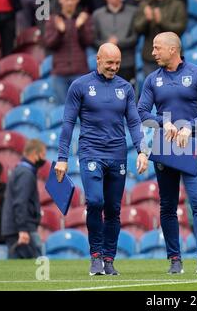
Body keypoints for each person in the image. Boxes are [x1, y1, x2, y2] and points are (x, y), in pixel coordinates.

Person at [54, 43, 148, 276]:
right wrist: (62, 157)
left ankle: (108, 260)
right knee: (95, 202)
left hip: (118, 155)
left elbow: (134, 122)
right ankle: (95, 255)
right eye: (109, 63)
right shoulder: (80, 86)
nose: (114, 67)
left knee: (114, 209)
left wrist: (142, 150)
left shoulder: (125, 88)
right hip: (91, 153)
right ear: (98, 59)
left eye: (117, 63)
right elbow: (68, 123)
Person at [137, 32, 197, 274]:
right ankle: (175, 259)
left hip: (192, 146)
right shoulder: (152, 80)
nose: (153, 52)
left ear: (173, 50)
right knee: (168, 206)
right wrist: (164, 122)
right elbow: (141, 111)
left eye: (157, 47)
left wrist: (189, 126)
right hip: (165, 147)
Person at [44, 0, 94, 105]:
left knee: (82, 110)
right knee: (63, 111)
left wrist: (80, 28)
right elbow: (49, 44)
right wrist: (60, 32)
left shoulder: (84, 18)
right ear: (60, 0)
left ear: (77, 0)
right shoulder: (53, 20)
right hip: (60, 73)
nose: (69, 3)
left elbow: (88, 42)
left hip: (80, 71)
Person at [1, 139, 47, 259]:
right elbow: (20, 202)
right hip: (22, 230)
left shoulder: (21, 170)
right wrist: (22, 230)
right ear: (34, 154)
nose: (44, 158)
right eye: (43, 155)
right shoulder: (25, 173)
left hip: (17, 228)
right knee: (34, 270)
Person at [134, 0, 187, 76]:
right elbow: (137, 29)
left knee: (175, 88)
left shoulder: (177, 5)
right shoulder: (144, 5)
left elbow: (180, 29)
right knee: (152, 87)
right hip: (150, 57)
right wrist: (146, 20)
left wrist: (161, 22)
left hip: (172, 57)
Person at [92, 0, 138, 84]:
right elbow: (94, 40)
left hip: (126, 62)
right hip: (105, 63)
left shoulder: (133, 12)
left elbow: (135, 38)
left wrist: (118, 43)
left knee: (126, 92)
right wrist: (108, 45)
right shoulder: (97, 14)